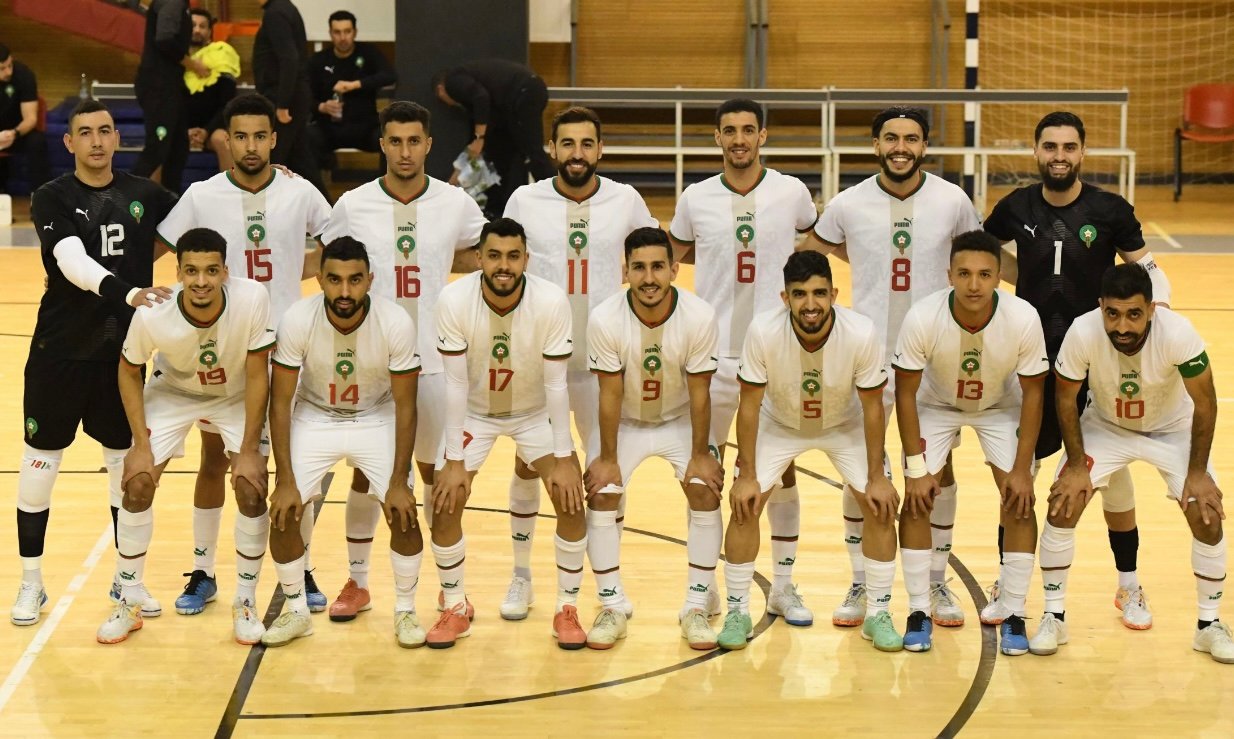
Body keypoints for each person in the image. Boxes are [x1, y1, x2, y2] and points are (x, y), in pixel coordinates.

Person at [984, 111, 1172, 631]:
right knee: (1021, 474)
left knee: (1112, 477)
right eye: (1050, 147)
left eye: (1069, 147)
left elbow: (1150, 274)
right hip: (1031, 361)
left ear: (1083, 152)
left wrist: (1159, 324)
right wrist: (1023, 277)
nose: (1059, 156)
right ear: (1036, 151)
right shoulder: (1015, 206)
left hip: (1096, 363)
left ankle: (1129, 585)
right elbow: (983, 254)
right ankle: (1008, 580)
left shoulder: (1110, 210)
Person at [154, 92, 331, 618]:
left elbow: (338, 244)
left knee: (293, 465)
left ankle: (300, 565)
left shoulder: (300, 190)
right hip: (224, 352)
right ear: (226, 141)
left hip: (288, 350)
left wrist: (298, 270)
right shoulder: (202, 195)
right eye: (240, 137)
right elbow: (159, 248)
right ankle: (203, 570)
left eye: (260, 136)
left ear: (274, 139)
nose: (250, 146)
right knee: (215, 461)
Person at [813, 106, 982, 629]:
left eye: (911, 138)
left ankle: (935, 581)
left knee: (937, 469)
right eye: (891, 138)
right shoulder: (847, 204)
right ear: (876, 144)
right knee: (860, 468)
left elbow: (975, 259)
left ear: (925, 146)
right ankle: (862, 580)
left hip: (934, 360)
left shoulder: (953, 201)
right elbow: (815, 254)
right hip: (865, 356)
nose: (901, 147)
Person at [12, 98, 177, 627]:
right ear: (70, 142)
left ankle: (126, 580)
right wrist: (127, 291)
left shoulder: (144, 194)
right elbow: (71, 261)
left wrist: (270, 178)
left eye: (106, 130)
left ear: (117, 138)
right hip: (59, 352)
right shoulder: (52, 196)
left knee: (124, 466)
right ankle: (31, 583)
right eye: (86, 132)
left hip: (120, 357)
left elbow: (199, 220)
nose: (98, 140)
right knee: (40, 464)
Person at [321, 100, 484, 623]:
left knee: (437, 475)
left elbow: (480, 254)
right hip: (371, 363)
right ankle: (358, 581)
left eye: (414, 141)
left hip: (436, 361)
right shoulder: (353, 204)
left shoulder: (456, 203)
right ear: (382, 145)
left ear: (429, 144)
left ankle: (451, 589)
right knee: (367, 475)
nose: (405, 151)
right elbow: (329, 266)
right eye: (395, 141)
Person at [498, 105, 658, 621]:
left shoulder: (626, 201)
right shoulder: (524, 200)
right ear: (552, 149)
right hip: (538, 362)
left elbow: (653, 264)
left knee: (608, 468)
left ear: (600, 149)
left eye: (587, 144)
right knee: (528, 463)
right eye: (567, 143)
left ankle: (609, 581)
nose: (577, 153)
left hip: (606, 364)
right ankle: (521, 576)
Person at [668, 98, 821, 628]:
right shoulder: (695, 198)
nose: (739, 139)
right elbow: (673, 256)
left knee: (782, 470)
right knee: (703, 475)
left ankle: (783, 586)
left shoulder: (792, 192)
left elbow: (812, 244)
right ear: (717, 137)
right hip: (711, 360)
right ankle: (703, 590)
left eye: (748, 130)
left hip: (776, 357)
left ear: (763, 136)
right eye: (729, 131)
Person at [1029, 263, 1231, 664]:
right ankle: (1055, 616)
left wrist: (1196, 474)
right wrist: (1076, 466)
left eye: (1134, 314)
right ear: (1101, 306)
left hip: (1171, 430)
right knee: (1062, 504)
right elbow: (1065, 400)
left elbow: (1206, 404)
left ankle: (1208, 625)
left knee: (1206, 514)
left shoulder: (1178, 334)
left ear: (1152, 309)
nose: (1122, 326)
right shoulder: (1083, 332)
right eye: (1113, 313)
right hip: (1106, 427)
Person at [96, 228, 273, 645]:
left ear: (225, 272)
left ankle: (245, 601)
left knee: (251, 488)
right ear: (177, 272)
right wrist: (140, 447)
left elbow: (257, 373)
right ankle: (129, 600)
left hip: (233, 394)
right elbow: (128, 370)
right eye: (191, 271)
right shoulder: (153, 314)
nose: (201, 281)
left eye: (211, 271)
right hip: (174, 391)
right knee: (137, 483)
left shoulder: (252, 299)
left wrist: (249, 450)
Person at [717, 250, 900, 652]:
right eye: (800, 294)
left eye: (819, 293)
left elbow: (873, 407)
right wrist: (746, 474)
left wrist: (877, 476)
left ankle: (878, 613)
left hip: (844, 425)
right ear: (785, 298)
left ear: (834, 294)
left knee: (880, 504)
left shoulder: (861, 332)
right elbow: (749, 405)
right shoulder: (763, 331)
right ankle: (737, 611)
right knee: (745, 504)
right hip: (779, 424)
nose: (811, 304)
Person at [428, 218, 585, 650]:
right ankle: (455, 606)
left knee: (571, 497)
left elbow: (556, 384)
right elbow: (454, 383)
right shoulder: (454, 299)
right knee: (445, 500)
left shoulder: (550, 301)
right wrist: (454, 460)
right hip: (475, 414)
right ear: (478, 258)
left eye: (513, 256)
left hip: (534, 413)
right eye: (494, 256)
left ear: (526, 260)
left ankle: (567, 607)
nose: (504, 266)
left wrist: (565, 457)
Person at [891, 231, 1048, 656]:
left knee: (1019, 500)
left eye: (984, 274)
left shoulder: (1023, 317)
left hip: (999, 406)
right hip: (936, 405)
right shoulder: (923, 317)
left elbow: (1034, 393)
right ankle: (919, 610)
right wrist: (916, 469)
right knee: (918, 498)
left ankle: (1014, 612)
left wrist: (1021, 470)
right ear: (949, 276)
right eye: (964, 274)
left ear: (998, 276)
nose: (974, 284)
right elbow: (905, 393)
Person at [263, 236, 424, 648]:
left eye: (355, 280)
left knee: (403, 510)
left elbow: (407, 405)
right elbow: (280, 402)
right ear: (319, 279)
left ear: (370, 279)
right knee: (284, 510)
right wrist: (284, 479)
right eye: (335, 280)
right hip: (316, 414)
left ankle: (405, 610)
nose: (345, 291)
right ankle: (296, 610)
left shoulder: (395, 322)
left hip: (376, 414)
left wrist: (399, 480)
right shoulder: (298, 319)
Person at [582, 227, 723, 650]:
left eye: (658, 267)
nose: (648, 278)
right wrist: (608, 459)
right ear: (624, 271)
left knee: (704, 488)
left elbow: (701, 393)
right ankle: (611, 604)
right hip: (625, 421)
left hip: (679, 419)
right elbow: (609, 394)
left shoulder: (699, 316)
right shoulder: (605, 318)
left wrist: (700, 454)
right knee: (602, 492)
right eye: (639, 268)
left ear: (675, 270)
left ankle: (696, 605)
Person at [433, 59, 554, 216]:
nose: (449, 104)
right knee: (500, 156)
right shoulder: (479, 105)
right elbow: (474, 145)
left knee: (532, 153)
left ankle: (559, 199)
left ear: (440, 89)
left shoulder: (452, 80)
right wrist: (452, 182)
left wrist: (479, 137)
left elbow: (481, 97)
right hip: (521, 95)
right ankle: (498, 211)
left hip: (525, 91)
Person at [253, 0, 327, 198]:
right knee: (300, 159)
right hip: (290, 95)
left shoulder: (275, 13)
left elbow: (289, 57)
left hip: (284, 98)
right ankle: (328, 211)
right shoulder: (284, 9)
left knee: (276, 160)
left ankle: (267, 207)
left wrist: (282, 104)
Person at [307, 10, 395, 172]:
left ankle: (386, 184)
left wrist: (355, 85)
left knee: (390, 137)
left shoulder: (368, 53)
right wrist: (322, 107)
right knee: (305, 137)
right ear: (330, 34)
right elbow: (305, 96)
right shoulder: (318, 60)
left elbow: (389, 75)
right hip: (329, 129)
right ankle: (321, 182)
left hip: (365, 128)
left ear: (355, 32)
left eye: (347, 31)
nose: (343, 37)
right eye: (337, 32)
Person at [131, 0, 192, 193]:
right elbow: (165, 39)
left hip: (170, 85)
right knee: (157, 148)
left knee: (178, 148)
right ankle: (122, 200)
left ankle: (170, 202)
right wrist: (190, 62)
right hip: (160, 87)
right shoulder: (173, 2)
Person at [183, 8, 240, 171]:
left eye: (202, 26)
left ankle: (231, 187)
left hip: (213, 127)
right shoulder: (174, 60)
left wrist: (206, 131)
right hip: (181, 128)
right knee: (162, 139)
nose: (197, 30)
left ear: (209, 32)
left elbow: (228, 103)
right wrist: (185, 130)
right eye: (193, 25)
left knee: (222, 139)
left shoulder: (222, 54)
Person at [0, 43, 50, 192]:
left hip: (18, 132)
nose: (8, 72)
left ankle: (41, 197)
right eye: (2, 68)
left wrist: (13, 134)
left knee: (37, 141)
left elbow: (31, 118)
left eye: (10, 65)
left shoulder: (24, 75)